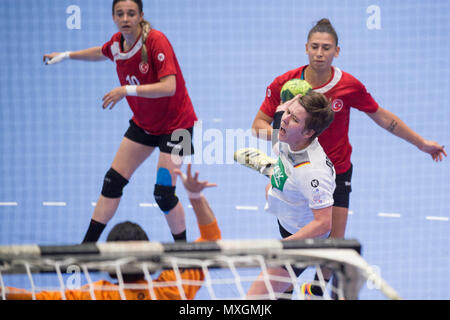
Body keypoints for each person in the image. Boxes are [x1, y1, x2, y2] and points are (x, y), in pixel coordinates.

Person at [251, 18, 447, 296]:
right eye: (315, 47)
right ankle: (284, 288)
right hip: (295, 171)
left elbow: (381, 116)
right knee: (292, 237)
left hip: (337, 171)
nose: (320, 53)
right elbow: (258, 125)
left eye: (327, 48)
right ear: (306, 48)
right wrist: (284, 138)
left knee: (334, 244)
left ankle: (317, 290)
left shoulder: (348, 86)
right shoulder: (285, 84)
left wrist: (421, 143)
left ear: (337, 52)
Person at [43, 0, 198, 244]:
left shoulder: (156, 41)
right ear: (114, 17)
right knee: (112, 181)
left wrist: (126, 90)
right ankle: (86, 249)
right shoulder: (117, 43)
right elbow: (100, 52)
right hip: (145, 124)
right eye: (120, 13)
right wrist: (65, 55)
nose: (125, 18)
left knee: (164, 194)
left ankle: (182, 251)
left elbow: (170, 86)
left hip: (178, 127)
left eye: (131, 13)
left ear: (141, 16)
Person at [3, 164, 220, 300]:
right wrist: (195, 196)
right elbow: (212, 241)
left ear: (109, 264)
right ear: (151, 257)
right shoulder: (173, 289)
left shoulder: (97, 295)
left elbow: (36, 297)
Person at [246, 90, 336, 299]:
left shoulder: (312, 172)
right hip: (288, 224)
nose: (285, 120)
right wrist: (271, 171)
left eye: (294, 118)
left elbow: (323, 224)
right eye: (288, 112)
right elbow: (278, 146)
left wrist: (283, 247)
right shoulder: (290, 138)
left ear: (308, 133)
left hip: (302, 242)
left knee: (253, 299)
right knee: (283, 290)